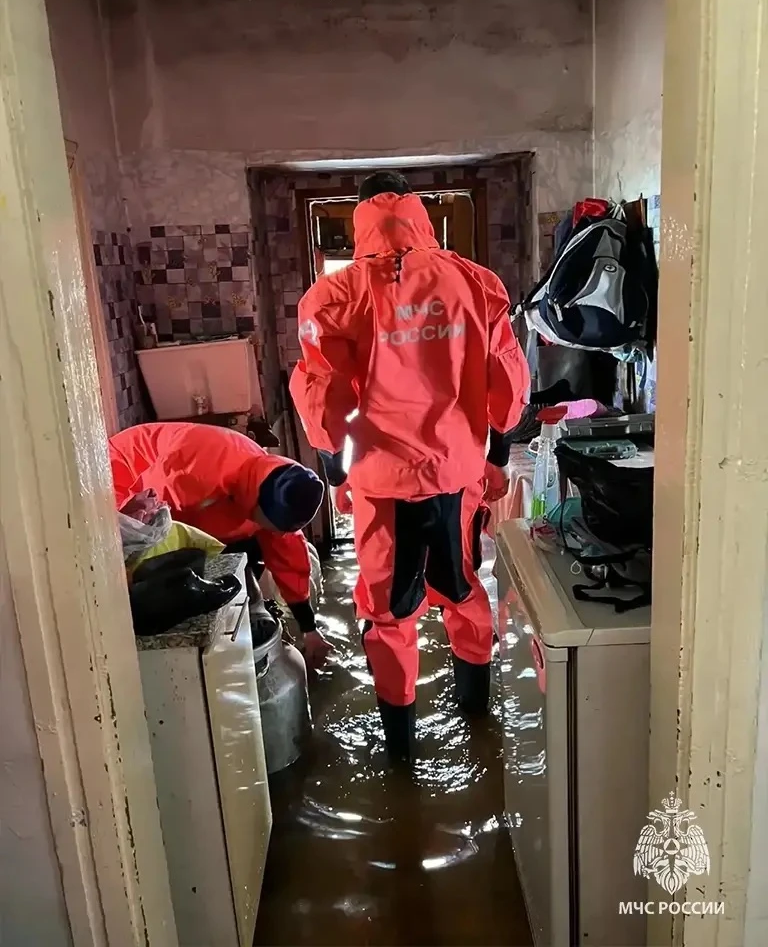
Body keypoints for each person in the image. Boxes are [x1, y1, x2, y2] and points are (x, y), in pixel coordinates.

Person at [290, 170, 529, 759]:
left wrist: (337, 474)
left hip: (381, 486)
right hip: (456, 474)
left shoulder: (333, 296)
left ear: (360, 218)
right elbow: (507, 382)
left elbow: (323, 400)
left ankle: (400, 752)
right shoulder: (475, 282)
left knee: (388, 615)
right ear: (418, 212)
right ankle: (477, 722)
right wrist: (496, 458)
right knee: (463, 588)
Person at [109, 421, 332, 668]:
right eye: (272, 526)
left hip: (191, 506)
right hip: (127, 475)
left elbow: (289, 562)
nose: (276, 532)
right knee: (125, 558)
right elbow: (152, 510)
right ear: (259, 504)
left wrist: (309, 629)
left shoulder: (279, 495)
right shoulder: (199, 468)